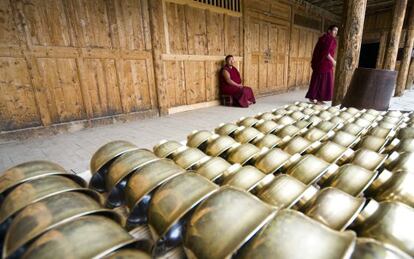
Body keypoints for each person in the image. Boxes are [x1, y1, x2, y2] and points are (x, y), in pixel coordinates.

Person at [305, 25, 338, 105]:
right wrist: (333, 61)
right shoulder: (329, 39)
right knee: (324, 82)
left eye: (337, 31)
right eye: (334, 30)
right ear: (329, 31)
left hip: (319, 64)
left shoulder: (323, 38)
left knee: (316, 80)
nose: (336, 32)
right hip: (325, 64)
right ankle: (319, 99)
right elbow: (326, 53)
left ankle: (312, 97)